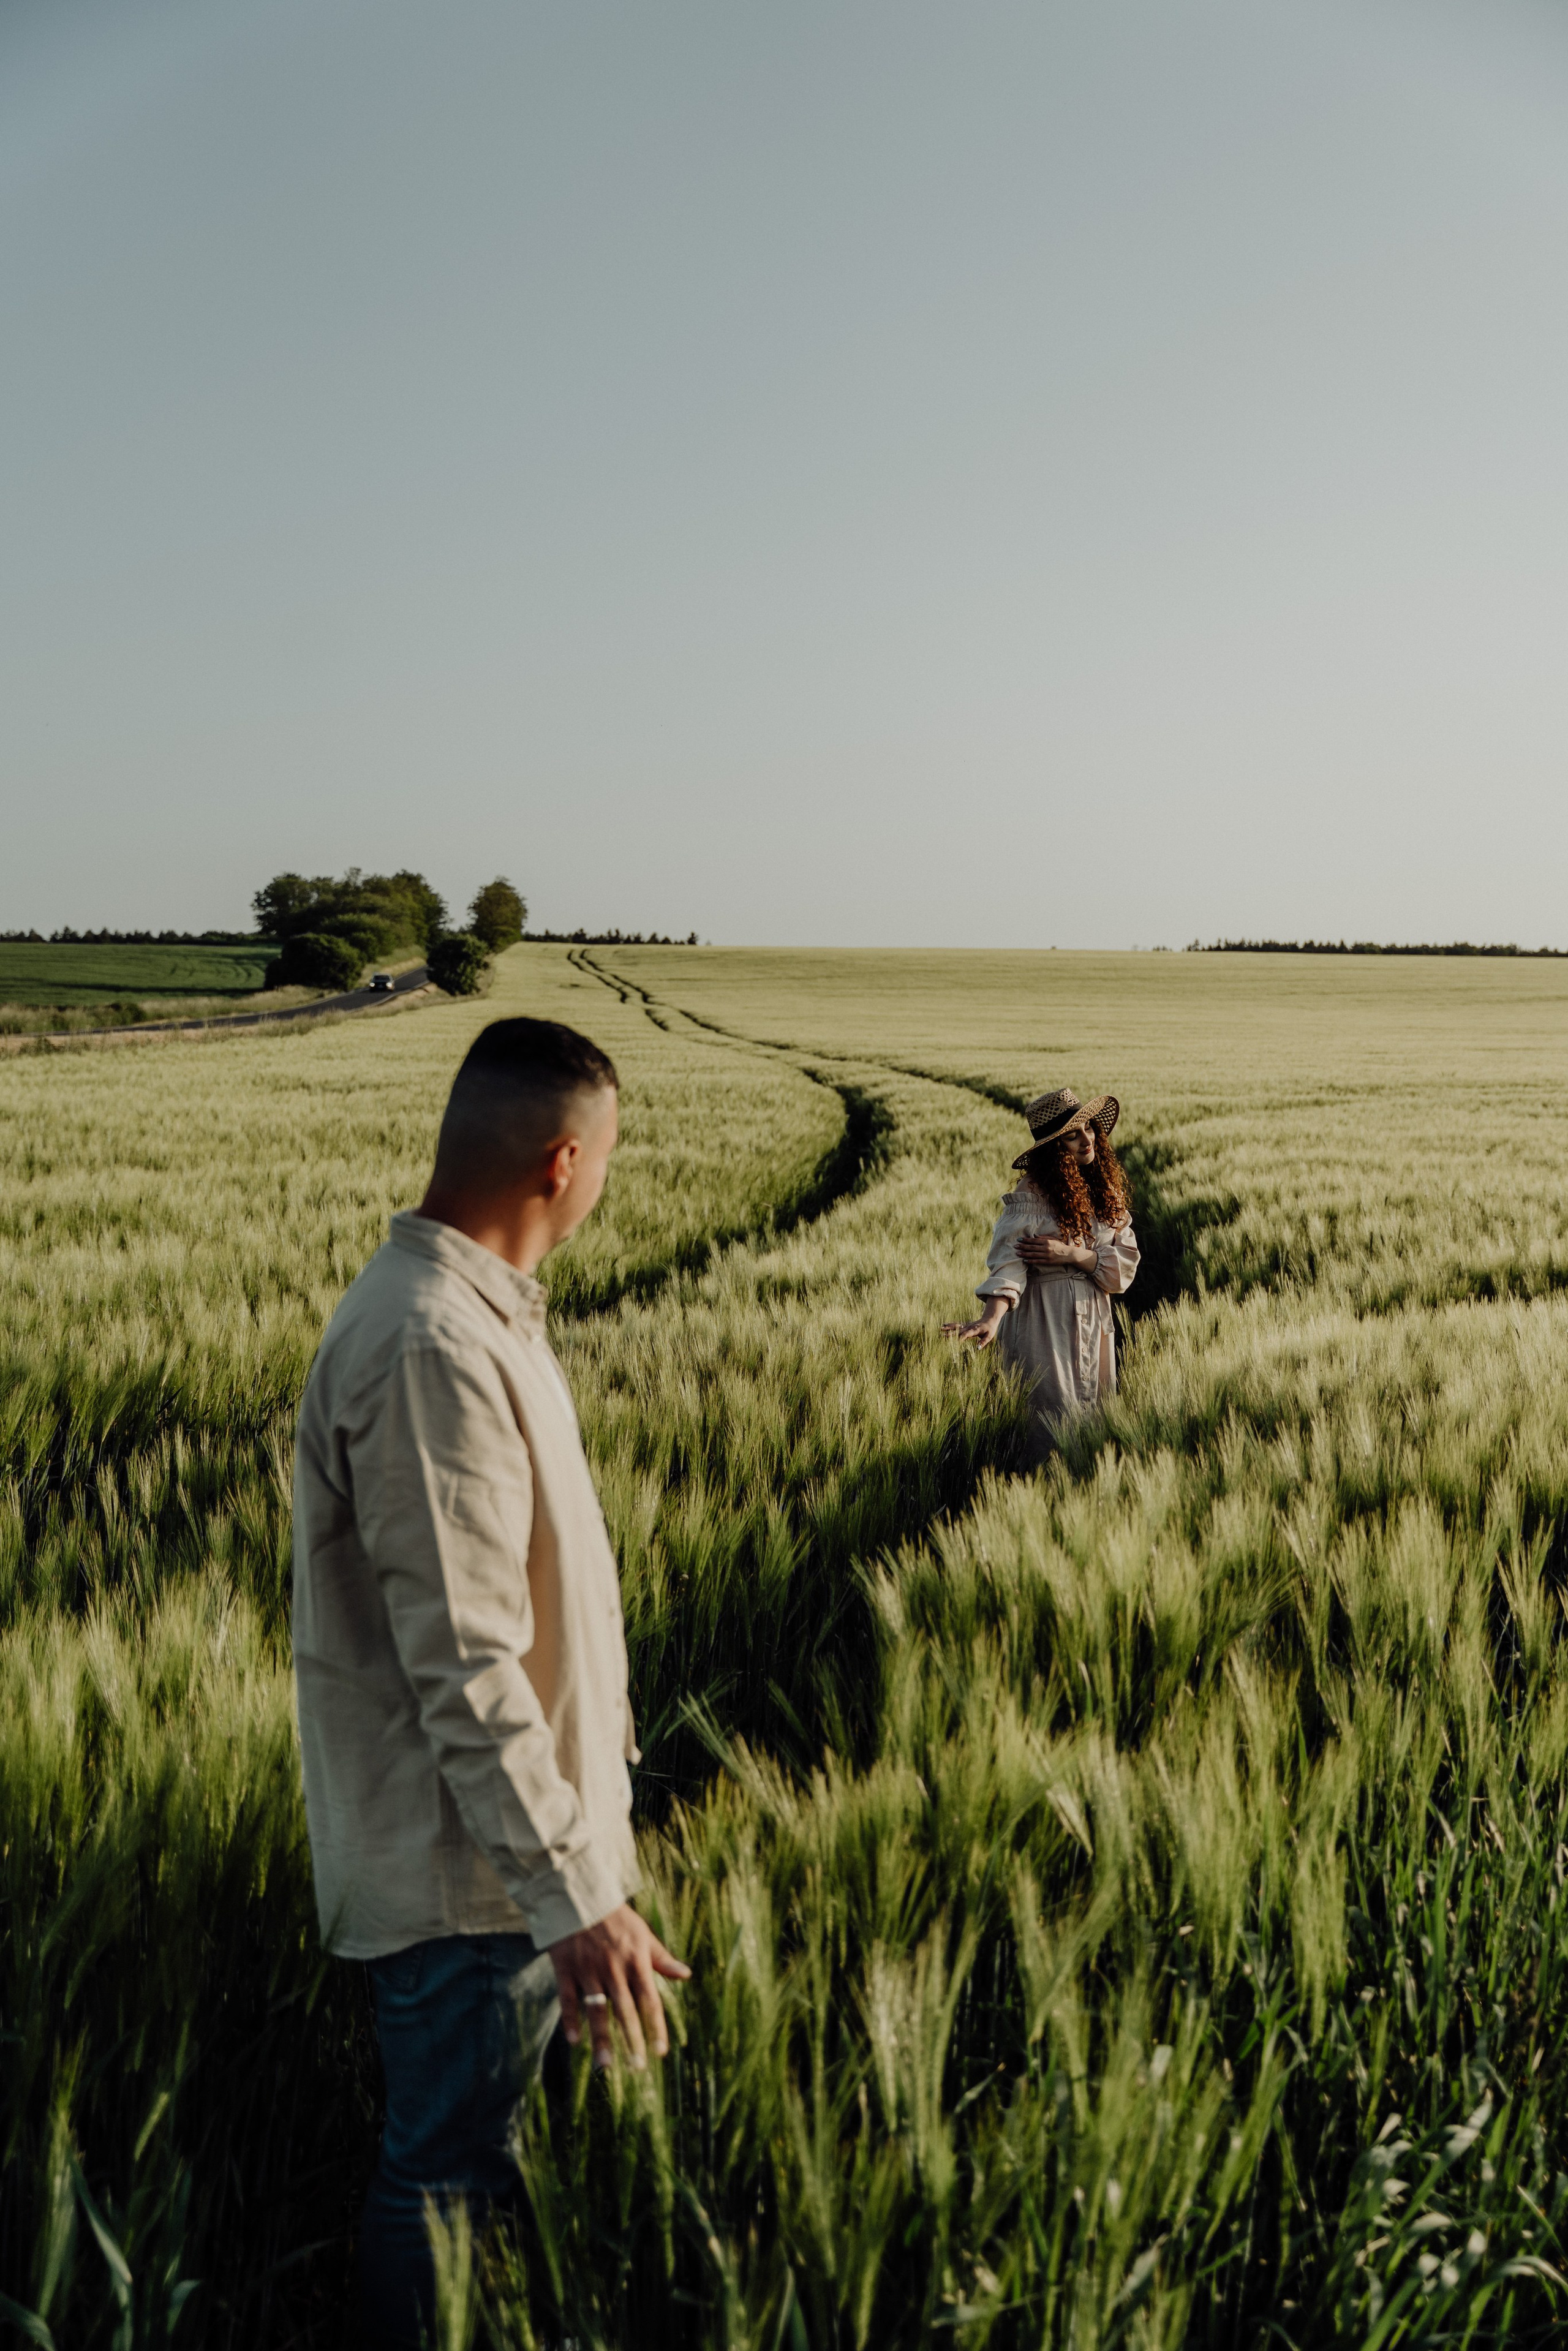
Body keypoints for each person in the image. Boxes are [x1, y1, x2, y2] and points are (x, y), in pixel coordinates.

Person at [292, 1016, 689, 2350]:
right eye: (607, 1159)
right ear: (563, 1159)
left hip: (509, 1864)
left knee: (479, 2176)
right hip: (478, 1883)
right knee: (447, 2182)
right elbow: (465, 1662)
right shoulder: (430, 1347)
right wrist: (571, 1895)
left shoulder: (467, 1317)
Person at [943, 1085, 1140, 1459]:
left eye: (1089, 1128)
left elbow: (1123, 1271)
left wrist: (1071, 1253)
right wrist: (991, 1317)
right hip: (1045, 1325)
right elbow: (1008, 1264)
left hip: (1095, 1321)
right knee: (1047, 1430)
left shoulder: (1105, 1192)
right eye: (1072, 1135)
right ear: (1054, 1149)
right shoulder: (1031, 1195)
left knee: (1094, 1429)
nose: (1087, 1140)